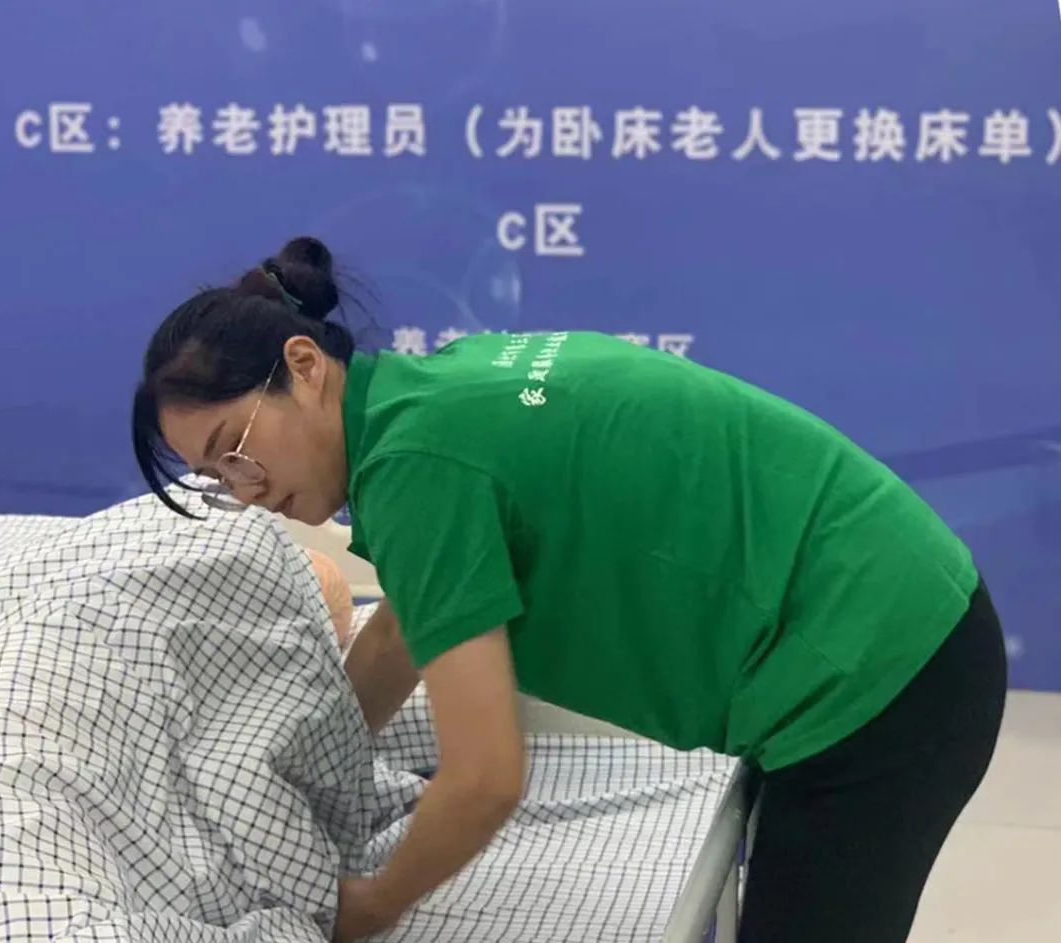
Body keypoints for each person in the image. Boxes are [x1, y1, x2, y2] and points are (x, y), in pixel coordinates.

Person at [132, 237, 1007, 943]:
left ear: (304, 364)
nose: (248, 491)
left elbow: (486, 780)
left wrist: (367, 906)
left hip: (879, 674)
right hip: (896, 603)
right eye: (219, 478)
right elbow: (407, 627)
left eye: (234, 448)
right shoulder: (429, 392)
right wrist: (303, 763)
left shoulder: (414, 470)